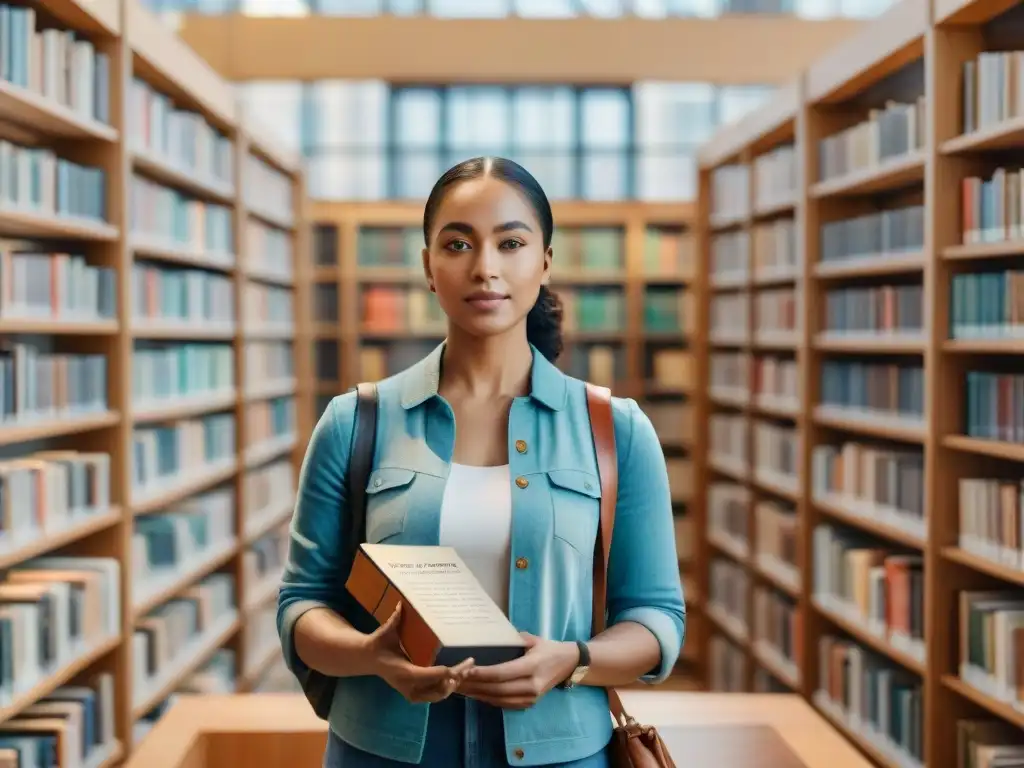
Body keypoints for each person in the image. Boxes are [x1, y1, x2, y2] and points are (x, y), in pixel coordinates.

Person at [278, 156, 686, 768]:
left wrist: (571, 661)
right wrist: (372, 656)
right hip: (381, 753)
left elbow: (656, 617)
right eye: (458, 243)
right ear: (427, 266)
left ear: (545, 261)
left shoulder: (616, 430)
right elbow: (303, 606)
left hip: (561, 754)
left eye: (511, 243)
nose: (485, 268)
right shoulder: (353, 422)